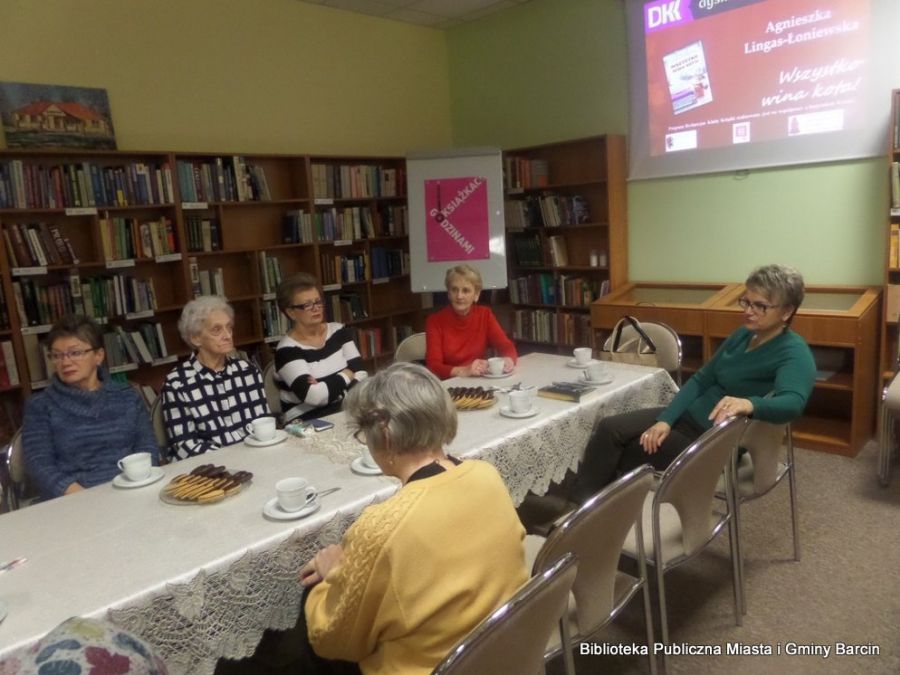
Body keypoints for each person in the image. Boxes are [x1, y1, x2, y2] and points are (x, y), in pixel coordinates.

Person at [297, 362, 527, 674]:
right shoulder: (486, 474)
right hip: (503, 648)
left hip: (434, 666)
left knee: (311, 596)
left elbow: (332, 641)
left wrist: (334, 574)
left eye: (364, 434)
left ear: (386, 437)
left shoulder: (382, 526)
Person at [570, 264, 817, 503]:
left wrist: (748, 403)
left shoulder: (793, 352)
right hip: (688, 418)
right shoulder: (743, 334)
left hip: (715, 440)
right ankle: (582, 508)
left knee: (630, 451)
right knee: (609, 428)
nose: (748, 311)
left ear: (786, 311)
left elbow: (793, 402)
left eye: (760, 306)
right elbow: (702, 378)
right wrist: (667, 419)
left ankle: (588, 518)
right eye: (746, 301)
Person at [22, 315, 158, 499]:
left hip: (131, 490)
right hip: (74, 499)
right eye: (57, 355)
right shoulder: (41, 405)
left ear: (98, 355)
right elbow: (39, 465)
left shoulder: (126, 396)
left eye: (75, 352)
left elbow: (147, 447)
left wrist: (140, 483)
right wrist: (83, 497)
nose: (65, 362)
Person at [161, 296, 269, 460]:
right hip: (209, 468)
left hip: (256, 456)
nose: (227, 335)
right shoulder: (177, 383)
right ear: (195, 338)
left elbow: (263, 423)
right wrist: (232, 457)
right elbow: (185, 445)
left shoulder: (247, 370)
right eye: (217, 330)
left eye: (229, 328)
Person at [274, 273, 366, 422]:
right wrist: (346, 375)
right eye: (307, 305)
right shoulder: (286, 351)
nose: (316, 309)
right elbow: (315, 397)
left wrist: (326, 387)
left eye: (318, 302)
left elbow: (362, 374)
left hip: (345, 409)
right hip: (306, 419)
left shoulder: (338, 331)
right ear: (291, 312)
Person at [425, 264, 517, 378]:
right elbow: (433, 366)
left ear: (476, 295)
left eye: (466, 290)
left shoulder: (485, 315)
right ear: (448, 294)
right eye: (454, 290)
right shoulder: (434, 321)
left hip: (477, 381)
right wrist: (463, 371)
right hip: (447, 384)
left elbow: (506, 346)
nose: (459, 296)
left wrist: (508, 360)